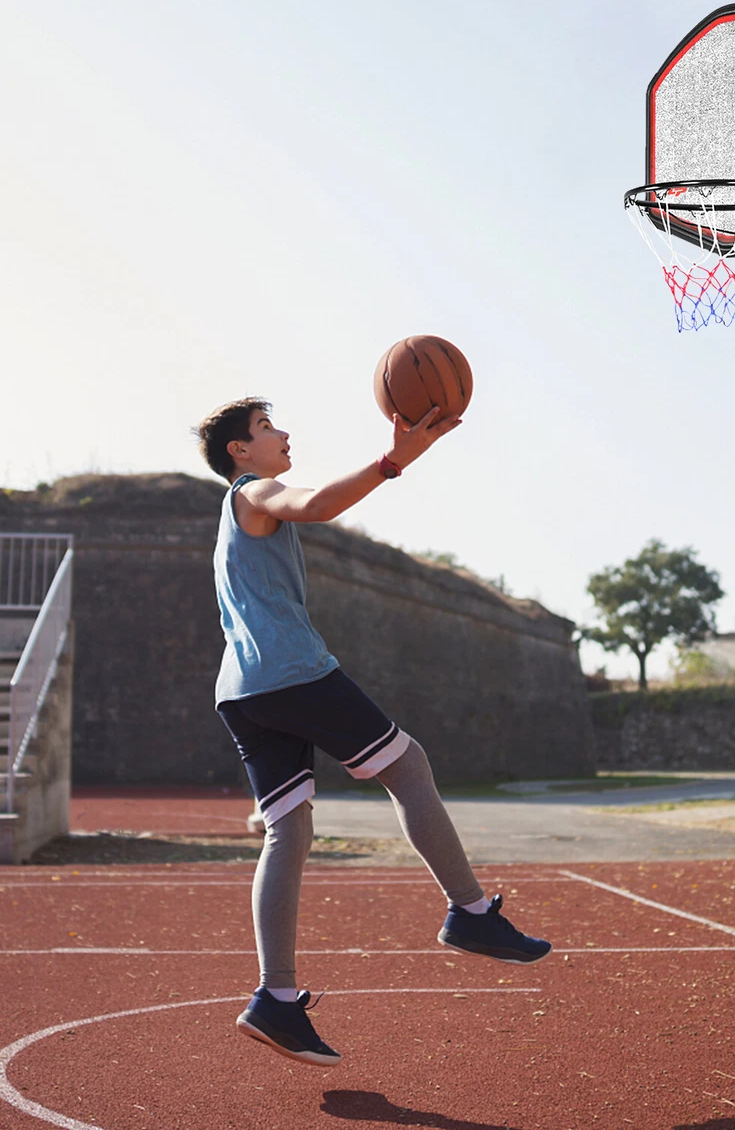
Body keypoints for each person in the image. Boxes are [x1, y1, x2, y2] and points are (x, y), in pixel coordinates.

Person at [193, 397, 551, 1068]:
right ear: (240, 451)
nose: (284, 434)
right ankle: (469, 913)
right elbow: (316, 503)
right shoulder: (256, 491)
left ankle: (276, 998)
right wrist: (392, 461)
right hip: (291, 674)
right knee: (408, 766)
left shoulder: (232, 518)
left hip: (240, 692)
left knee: (288, 831)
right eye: (268, 429)